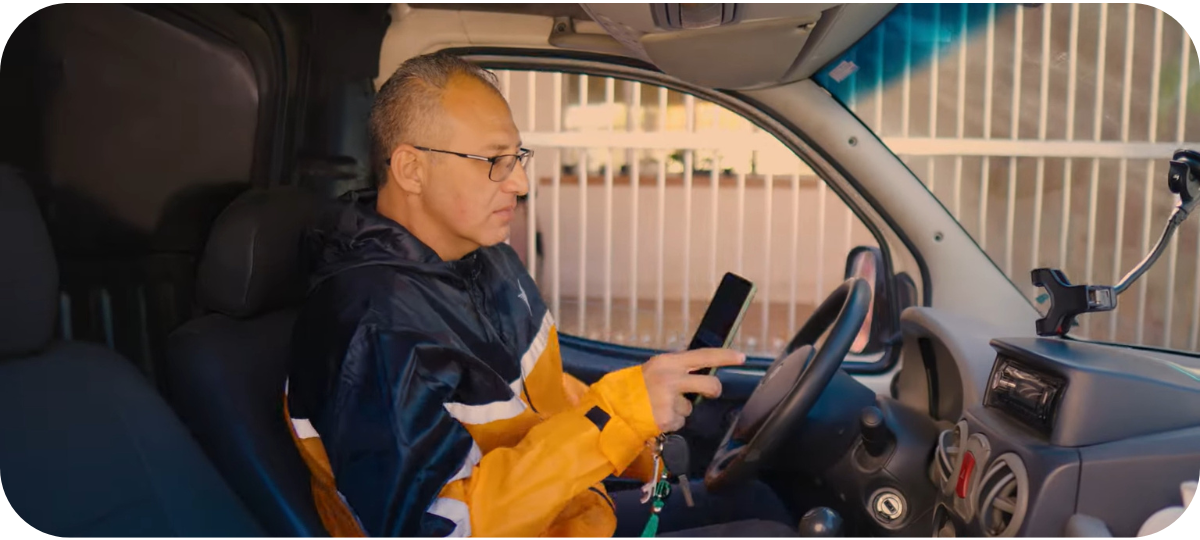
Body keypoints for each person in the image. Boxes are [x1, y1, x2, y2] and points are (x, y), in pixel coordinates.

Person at [284, 52, 796, 538]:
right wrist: (613, 421)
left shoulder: (485, 260)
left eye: (519, 157)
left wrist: (634, 431)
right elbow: (441, 527)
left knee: (760, 503)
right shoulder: (370, 327)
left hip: (564, 514)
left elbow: (538, 400)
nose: (521, 182)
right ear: (411, 169)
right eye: (495, 161)